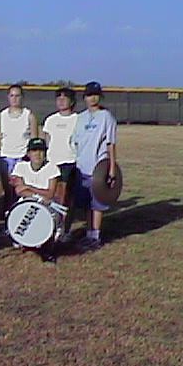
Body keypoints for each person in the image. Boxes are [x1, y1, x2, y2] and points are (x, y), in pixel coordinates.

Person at [72, 81, 118, 251]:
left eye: (96, 95)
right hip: (81, 166)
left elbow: (111, 143)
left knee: (97, 203)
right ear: (85, 97)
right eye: (90, 95)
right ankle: (88, 232)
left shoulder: (106, 117)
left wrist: (111, 168)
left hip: (98, 167)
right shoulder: (81, 118)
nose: (93, 98)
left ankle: (95, 236)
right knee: (86, 203)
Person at [10, 137, 61, 263]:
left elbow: (50, 194)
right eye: (34, 151)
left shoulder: (52, 168)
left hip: (47, 205)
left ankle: (47, 250)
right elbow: (19, 191)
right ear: (28, 154)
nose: (38, 154)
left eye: (41, 151)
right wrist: (37, 195)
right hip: (27, 204)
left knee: (50, 220)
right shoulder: (20, 166)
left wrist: (29, 187)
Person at [0, 84, 39, 212]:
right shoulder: (1, 116)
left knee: (22, 190)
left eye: (17, 95)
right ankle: (8, 215)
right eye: (12, 95)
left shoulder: (29, 115)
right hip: (6, 158)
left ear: (22, 97)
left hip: (22, 158)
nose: (14, 99)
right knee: (8, 190)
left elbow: (34, 140)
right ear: (8, 97)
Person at [42, 87, 78, 240]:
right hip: (52, 163)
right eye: (59, 98)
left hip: (69, 162)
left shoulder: (78, 119)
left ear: (72, 101)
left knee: (66, 198)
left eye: (65, 98)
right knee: (51, 197)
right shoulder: (51, 120)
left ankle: (64, 230)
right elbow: (46, 141)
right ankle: (50, 227)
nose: (61, 101)